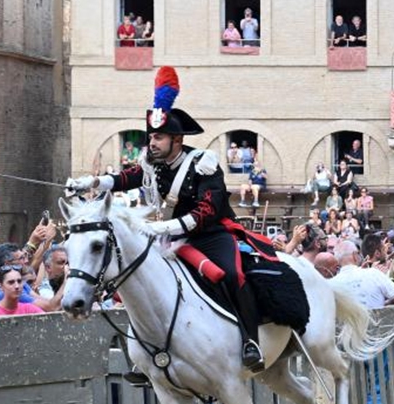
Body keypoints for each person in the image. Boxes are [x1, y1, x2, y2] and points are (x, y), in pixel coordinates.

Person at [66, 66, 269, 372]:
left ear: (176, 139)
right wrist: (91, 183)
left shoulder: (203, 164)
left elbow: (206, 212)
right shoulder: (154, 163)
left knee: (231, 274)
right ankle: (148, 355)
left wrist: (163, 227)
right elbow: (127, 177)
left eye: (158, 137)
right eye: (151, 137)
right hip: (170, 238)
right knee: (141, 280)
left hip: (210, 236)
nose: (152, 143)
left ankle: (249, 340)